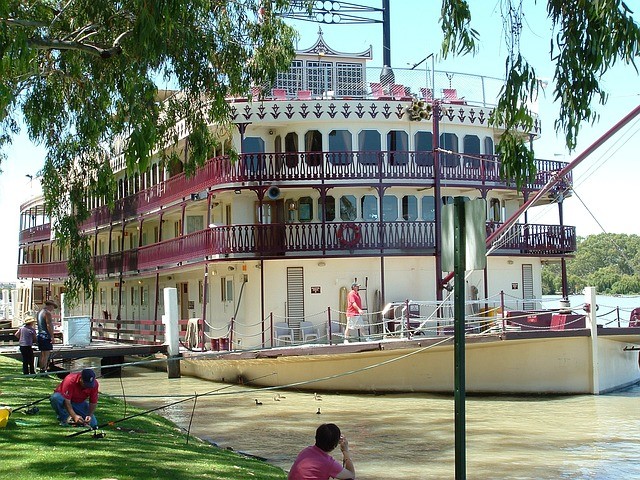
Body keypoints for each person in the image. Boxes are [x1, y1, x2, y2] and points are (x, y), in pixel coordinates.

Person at [288, 423, 355, 480]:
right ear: (335, 445)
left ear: (316, 437)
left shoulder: (305, 451)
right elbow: (351, 475)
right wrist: (345, 451)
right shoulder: (329, 463)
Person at [37, 299, 57, 372]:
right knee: (46, 355)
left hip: (40, 335)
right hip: (46, 336)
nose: (53, 309)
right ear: (50, 306)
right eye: (53, 307)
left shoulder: (40, 312)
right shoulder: (47, 313)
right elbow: (49, 325)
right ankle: (43, 370)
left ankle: (41, 369)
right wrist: (52, 337)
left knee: (42, 354)